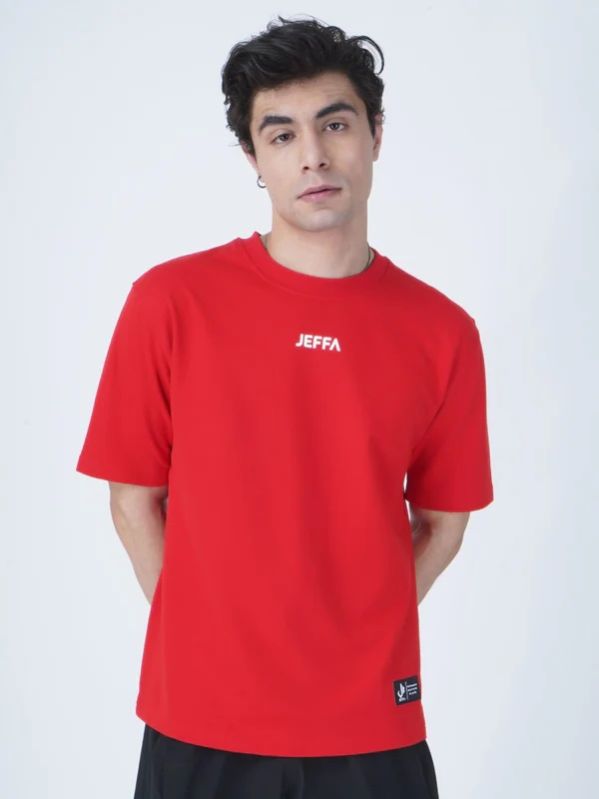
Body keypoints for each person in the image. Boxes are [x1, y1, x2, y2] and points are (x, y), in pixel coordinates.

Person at [75, 14, 494, 799]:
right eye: (281, 134)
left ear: (374, 133)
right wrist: (205, 640)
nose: (312, 155)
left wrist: (353, 638)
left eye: (334, 124)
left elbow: (443, 521)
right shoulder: (171, 302)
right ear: (253, 158)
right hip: (199, 717)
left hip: (369, 724)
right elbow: (132, 499)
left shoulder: (441, 332)